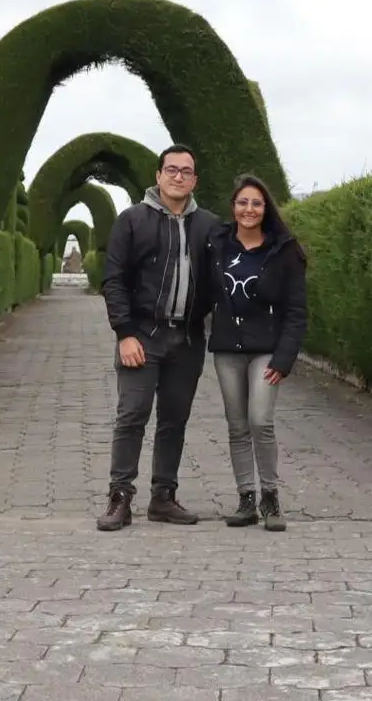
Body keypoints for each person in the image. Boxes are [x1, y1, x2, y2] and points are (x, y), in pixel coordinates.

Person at [97, 143, 217, 531]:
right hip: (142, 337)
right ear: (158, 175)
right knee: (132, 415)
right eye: (171, 169)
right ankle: (120, 497)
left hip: (187, 340)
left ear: (194, 179)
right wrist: (124, 333)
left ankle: (163, 497)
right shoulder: (132, 220)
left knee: (174, 420)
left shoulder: (209, 226)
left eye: (186, 171)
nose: (178, 176)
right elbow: (113, 280)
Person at [205, 173, 307, 532]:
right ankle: (245, 498)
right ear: (233, 207)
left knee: (260, 421)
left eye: (256, 203)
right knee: (237, 426)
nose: (249, 209)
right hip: (226, 350)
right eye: (242, 202)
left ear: (266, 208)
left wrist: (285, 358)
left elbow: (296, 312)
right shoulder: (217, 244)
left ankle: (271, 496)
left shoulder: (284, 252)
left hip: (266, 351)